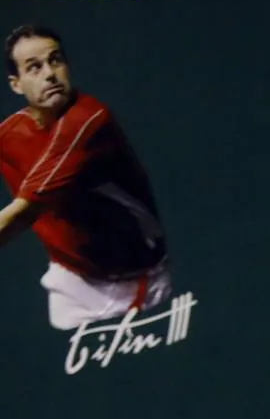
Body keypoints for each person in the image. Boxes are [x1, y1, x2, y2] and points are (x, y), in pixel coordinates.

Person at [0, 24, 171, 330]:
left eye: (56, 60)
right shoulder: (9, 135)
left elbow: (22, 215)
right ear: (16, 84)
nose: (50, 74)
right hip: (69, 276)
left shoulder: (88, 122)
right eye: (34, 67)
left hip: (131, 281)